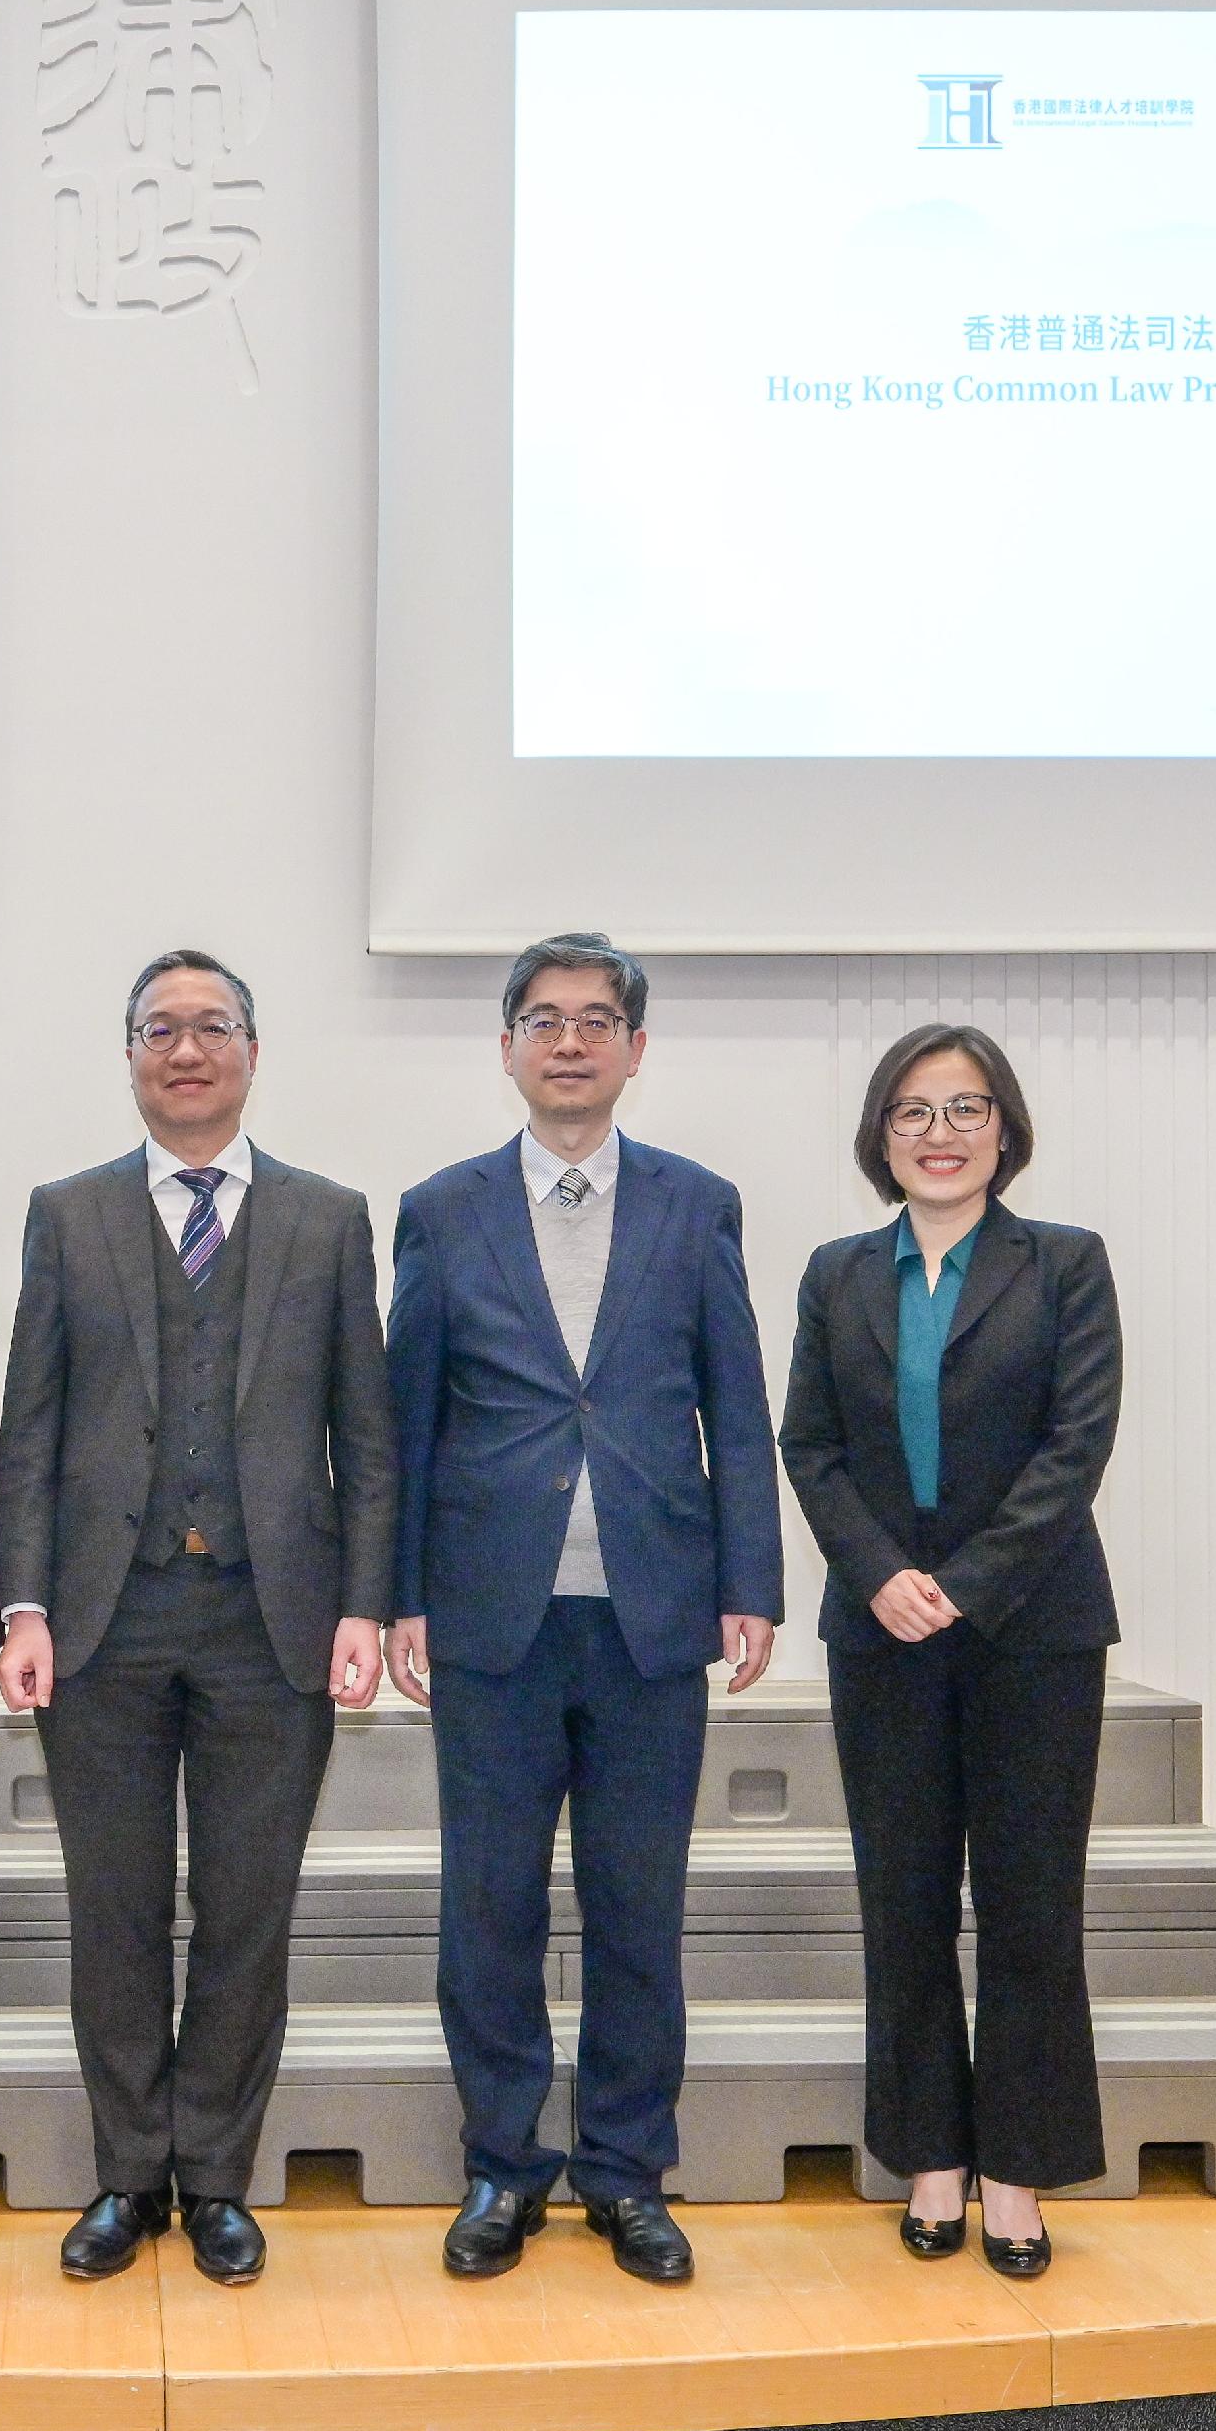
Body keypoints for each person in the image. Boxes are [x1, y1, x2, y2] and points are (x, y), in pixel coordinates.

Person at [0, 950, 395, 2288]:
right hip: (102, 1625)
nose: (185, 1048)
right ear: (128, 1056)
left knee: (245, 1911)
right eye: (159, 1028)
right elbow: (29, 1433)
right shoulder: (66, 1215)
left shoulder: (330, 1220)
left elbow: (368, 1433)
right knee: (112, 1909)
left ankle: (215, 2174)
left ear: (252, 1051)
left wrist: (364, 1604)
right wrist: (24, 1601)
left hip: (271, 1624)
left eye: (210, 1025)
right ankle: (127, 2173)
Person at [386, 931, 779, 2288]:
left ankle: (625, 2171)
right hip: (491, 1618)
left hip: (650, 1620)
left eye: (595, 1020)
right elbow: (408, 1421)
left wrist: (752, 1581)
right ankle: (503, 2165)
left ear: (634, 1048)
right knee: (486, 1911)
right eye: (543, 1020)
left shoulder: (697, 1203)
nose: (568, 1042)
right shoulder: (442, 1209)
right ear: (505, 1047)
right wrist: (397, 1598)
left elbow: (735, 1402)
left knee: (636, 1910)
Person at [778, 1022, 1122, 2280]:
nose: (939, 1131)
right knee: (905, 1904)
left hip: (1034, 1631)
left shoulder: (1065, 1265)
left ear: (1004, 1128)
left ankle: (1019, 2172)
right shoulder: (837, 1273)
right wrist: (880, 1577)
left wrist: (963, 1588)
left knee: (1030, 1907)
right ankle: (930, 2156)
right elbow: (805, 1446)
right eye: (914, 1110)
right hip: (880, 1636)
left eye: (965, 1108)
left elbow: (1075, 1446)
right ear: (880, 1132)